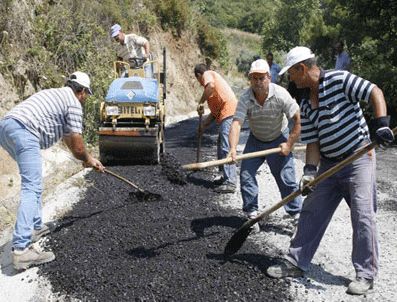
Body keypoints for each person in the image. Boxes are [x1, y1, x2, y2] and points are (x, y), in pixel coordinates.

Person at [266, 46, 394, 296]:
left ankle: (365, 275)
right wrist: (310, 171)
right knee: (312, 210)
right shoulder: (306, 102)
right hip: (329, 164)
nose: (291, 79)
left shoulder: (340, 79)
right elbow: (313, 142)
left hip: (358, 158)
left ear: (302, 69)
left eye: (292, 74)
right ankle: (296, 262)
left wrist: (381, 124)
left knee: (363, 214)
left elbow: (374, 92)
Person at [0, 72, 105, 270]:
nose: (85, 99)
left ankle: (36, 227)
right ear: (81, 91)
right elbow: (78, 147)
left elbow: (70, 141)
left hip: (6, 127)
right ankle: (21, 250)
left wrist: (85, 160)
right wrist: (89, 159)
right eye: (86, 94)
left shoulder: (56, 94)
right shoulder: (73, 103)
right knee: (32, 187)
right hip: (24, 131)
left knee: (34, 180)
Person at [228, 59, 302, 232]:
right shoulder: (246, 97)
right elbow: (236, 123)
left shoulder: (281, 94)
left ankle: (296, 216)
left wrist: (289, 144)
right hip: (256, 140)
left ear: (269, 77)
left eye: (261, 78)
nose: (258, 82)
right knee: (246, 174)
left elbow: (298, 119)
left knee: (286, 177)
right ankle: (252, 214)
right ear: (250, 79)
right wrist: (232, 149)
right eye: (254, 78)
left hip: (278, 137)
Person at [194, 64, 238, 193]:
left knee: (226, 146)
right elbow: (214, 113)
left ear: (198, 75)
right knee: (221, 145)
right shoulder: (213, 90)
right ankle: (225, 176)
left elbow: (210, 86)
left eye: (198, 80)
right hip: (226, 112)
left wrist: (201, 102)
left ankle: (231, 182)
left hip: (229, 111)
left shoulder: (208, 75)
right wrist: (203, 126)